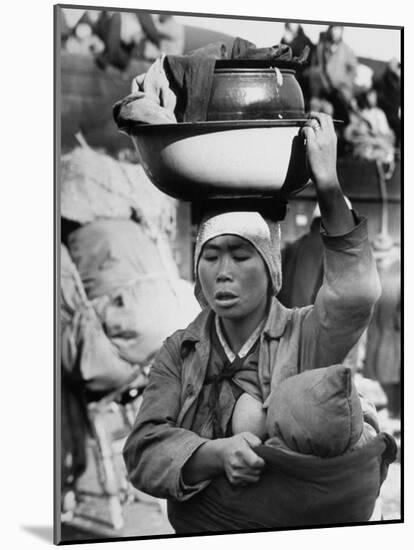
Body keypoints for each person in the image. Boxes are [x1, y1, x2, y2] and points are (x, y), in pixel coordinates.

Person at [123, 113, 381, 531]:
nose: (222, 271)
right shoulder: (180, 350)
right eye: (211, 256)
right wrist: (215, 455)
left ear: (270, 269)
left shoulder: (306, 335)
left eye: (240, 256)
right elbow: (142, 451)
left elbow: (356, 296)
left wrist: (329, 188)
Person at [305, 25, 358, 124]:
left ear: (342, 31)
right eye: (333, 28)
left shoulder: (347, 50)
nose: (334, 32)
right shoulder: (321, 48)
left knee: (335, 114)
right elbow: (313, 67)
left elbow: (353, 71)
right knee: (315, 107)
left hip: (339, 92)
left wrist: (344, 82)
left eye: (338, 28)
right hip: (321, 91)